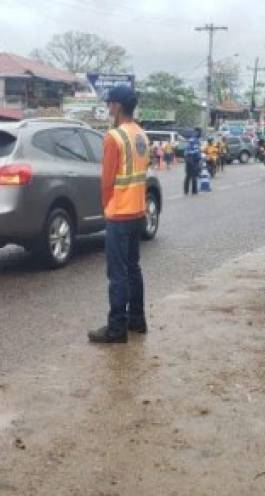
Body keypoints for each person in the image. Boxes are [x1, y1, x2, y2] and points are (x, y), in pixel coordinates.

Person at [88, 86, 149, 344]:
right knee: (133, 268)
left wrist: (106, 207)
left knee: (118, 273)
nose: (108, 108)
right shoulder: (141, 135)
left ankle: (116, 328)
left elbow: (107, 180)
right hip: (137, 212)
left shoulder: (114, 137)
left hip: (120, 213)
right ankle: (137, 320)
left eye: (110, 104)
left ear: (118, 106)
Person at [184, 128, 202, 195]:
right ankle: (194, 191)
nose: (200, 134)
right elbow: (196, 151)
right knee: (194, 175)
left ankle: (186, 191)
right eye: (200, 132)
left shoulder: (190, 139)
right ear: (198, 133)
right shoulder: (196, 140)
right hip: (193, 159)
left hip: (188, 159)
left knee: (188, 176)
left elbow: (186, 151)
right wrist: (199, 158)